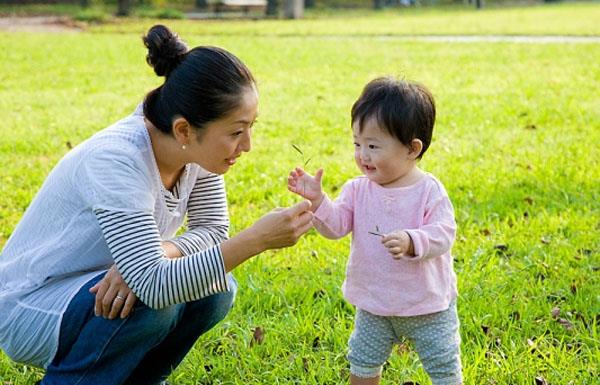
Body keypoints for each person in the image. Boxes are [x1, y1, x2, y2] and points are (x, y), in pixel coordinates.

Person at [0, 24, 313, 385]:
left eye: (250, 127)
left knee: (216, 287)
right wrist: (255, 240)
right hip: (32, 305)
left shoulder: (196, 152)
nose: (247, 146)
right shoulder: (117, 160)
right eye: (236, 132)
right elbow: (154, 286)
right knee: (156, 303)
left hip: (94, 289)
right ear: (183, 130)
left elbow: (212, 231)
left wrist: (164, 250)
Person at [287, 77, 462, 385]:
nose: (362, 155)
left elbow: (444, 233)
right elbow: (336, 226)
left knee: (444, 366)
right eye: (357, 144)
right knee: (363, 362)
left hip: (426, 305)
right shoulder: (358, 189)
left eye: (372, 146)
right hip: (374, 304)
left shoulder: (428, 190)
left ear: (412, 149)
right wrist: (318, 201)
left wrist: (413, 240)